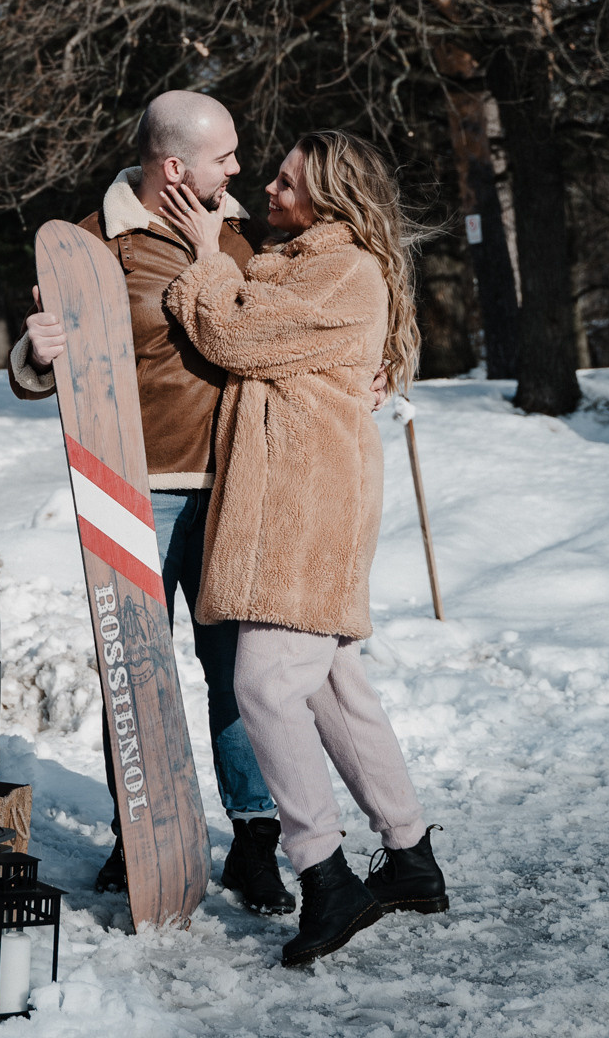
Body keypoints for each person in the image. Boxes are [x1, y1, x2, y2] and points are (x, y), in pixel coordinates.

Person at [159, 129, 448, 968]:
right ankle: (410, 856)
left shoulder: (345, 269)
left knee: (263, 687)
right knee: (332, 691)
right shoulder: (304, 262)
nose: (271, 192)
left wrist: (209, 255)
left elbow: (237, 339)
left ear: (329, 195)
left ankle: (324, 874)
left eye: (286, 183)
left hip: (306, 507)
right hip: (297, 499)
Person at [10, 89, 294, 916]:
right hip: (131, 493)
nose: (239, 168)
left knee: (235, 673)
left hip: (236, 488)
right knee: (133, 672)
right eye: (225, 156)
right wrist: (37, 352)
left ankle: (253, 842)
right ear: (174, 166)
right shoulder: (90, 247)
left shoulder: (240, 234)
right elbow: (43, 371)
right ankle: (141, 833)